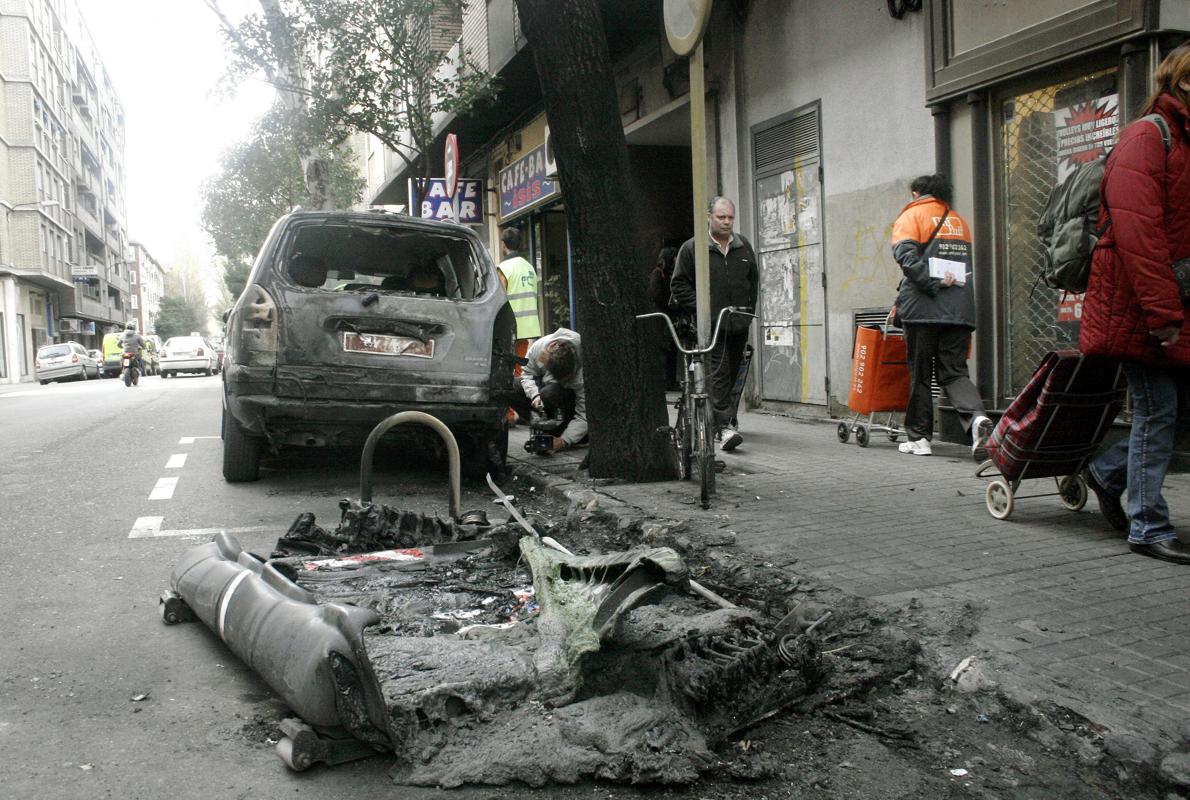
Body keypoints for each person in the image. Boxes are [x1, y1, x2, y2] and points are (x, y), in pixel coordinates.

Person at [1079, 44, 1190, 565]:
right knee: (1157, 409)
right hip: (1144, 306)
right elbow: (1138, 234)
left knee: (1169, 412)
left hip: (1174, 303)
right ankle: (1147, 523)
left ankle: (1107, 472)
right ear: (1184, 83)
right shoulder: (1148, 136)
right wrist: (1163, 315)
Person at [889, 174, 992, 457]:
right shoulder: (958, 221)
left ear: (916, 193)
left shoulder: (911, 217)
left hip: (922, 311)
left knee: (921, 374)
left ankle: (919, 439)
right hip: (958, 310)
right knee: (954, 372)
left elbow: (907, 260)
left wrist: (931, 284)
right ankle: (977, 420)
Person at [670, 197, 758, 452]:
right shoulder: (693, 248)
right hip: (710, 325)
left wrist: (750, 310)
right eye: (721, 217)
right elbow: (679, 285)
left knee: (732, 375)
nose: (727, 222)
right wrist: (703, 308)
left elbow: (753, 281)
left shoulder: (743, 247)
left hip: (739, 323)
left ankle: (723, 420)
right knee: (718, 372)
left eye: (730, 217)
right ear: (709, 216)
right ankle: (723, 428)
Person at [511, 328, 587, 453]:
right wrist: (534, 395)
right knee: (511, 385)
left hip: (565, 400)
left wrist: (564, 441)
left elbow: (584, 416)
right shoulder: (539, 348)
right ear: (550, 347)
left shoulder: (582, 371)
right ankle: (541, 425)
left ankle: (568, 433)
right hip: (543, 392)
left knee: (549, 393)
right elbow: (527, 375)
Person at [497, 227, 542, 424]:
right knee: (519, 371)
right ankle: (524, 412)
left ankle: (509, 415)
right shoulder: (529, 267)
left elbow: (499, 299)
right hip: (527, 327)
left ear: (503, 244)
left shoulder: (504, 268)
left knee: (505, 372)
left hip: (509, 328)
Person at [648, 245, 680, 390]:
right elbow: (656, 295)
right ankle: (664, 381)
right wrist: (669, 302)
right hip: (662, 317)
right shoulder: (658, 274)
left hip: (668, 316)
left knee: (672, 349)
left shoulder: (668, 274)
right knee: (664, 349)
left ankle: (670, 381)